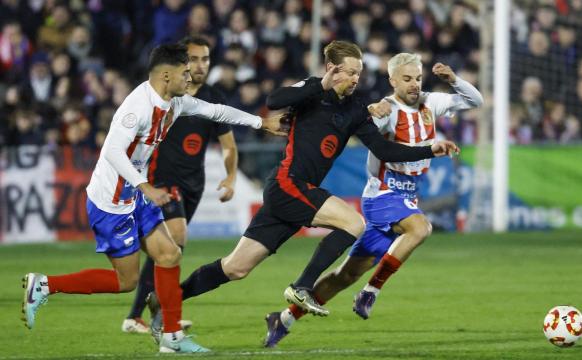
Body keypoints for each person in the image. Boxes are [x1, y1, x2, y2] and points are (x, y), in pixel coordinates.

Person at [146, 40, 460, 341]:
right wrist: (319, 85)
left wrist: (429, 150)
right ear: (331, 69)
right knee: (354, 223)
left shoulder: (355, 110)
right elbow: (273, 101)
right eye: (349, 72)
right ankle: (302, 286)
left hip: (297, 191)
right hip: (287, 183)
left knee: (235, 268)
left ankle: (165, 298)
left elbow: (385, 150)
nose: (354, 79)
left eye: (358, 74)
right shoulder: (310, 91)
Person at [21, 43, 286, 353]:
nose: (190, 78)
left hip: (135, 194)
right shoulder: (138, 108)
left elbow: (215, 111)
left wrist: (261, 122)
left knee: (170, 255)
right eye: (184, 73)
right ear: (165, 75)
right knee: (126, 281)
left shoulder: (175, 102)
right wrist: (144, 185)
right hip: (112, 202)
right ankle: (45, 285)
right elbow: (112, 152)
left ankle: (171, 337)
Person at [263, 54, 484, 347]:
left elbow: (475, 101)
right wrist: (370, 108)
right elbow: (360, 119)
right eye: (406, 79)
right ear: (392, 81)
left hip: (405, 197)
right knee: (420, 228)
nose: (414, 84)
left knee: (346, 274)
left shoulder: (431, 103)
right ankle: (371, 292)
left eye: (417, 78)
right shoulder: (387, 109)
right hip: (381, 194)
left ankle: (284, 319)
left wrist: (454, 81)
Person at [121, 36, 239, 334]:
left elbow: (229, 146)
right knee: (175, 236)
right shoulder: (166, 95)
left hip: (193, 186)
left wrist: (230, 176)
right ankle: (149, 313)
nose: (200, 65)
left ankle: (154, 309)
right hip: (162, 179)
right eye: (194, 59)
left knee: (171, 248)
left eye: (205, 59)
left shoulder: (213, 98)